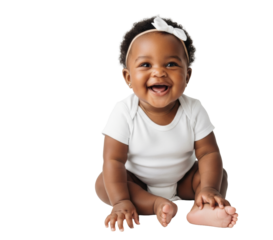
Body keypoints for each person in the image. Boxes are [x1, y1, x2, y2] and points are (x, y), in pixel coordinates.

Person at [94, 13, 239, 234]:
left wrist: (208, 187)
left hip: (184, 180)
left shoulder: (194, 108)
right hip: (137, 183)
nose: (159, 72)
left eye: (171, 64)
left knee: (218, 175)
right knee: (104, 182)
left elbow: (209, 153)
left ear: (188, 75)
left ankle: (201, 207)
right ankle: (154, 204)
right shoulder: (123, 111)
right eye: (145, 64)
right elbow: (113, 159)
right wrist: (121, 200)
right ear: (127, 77)